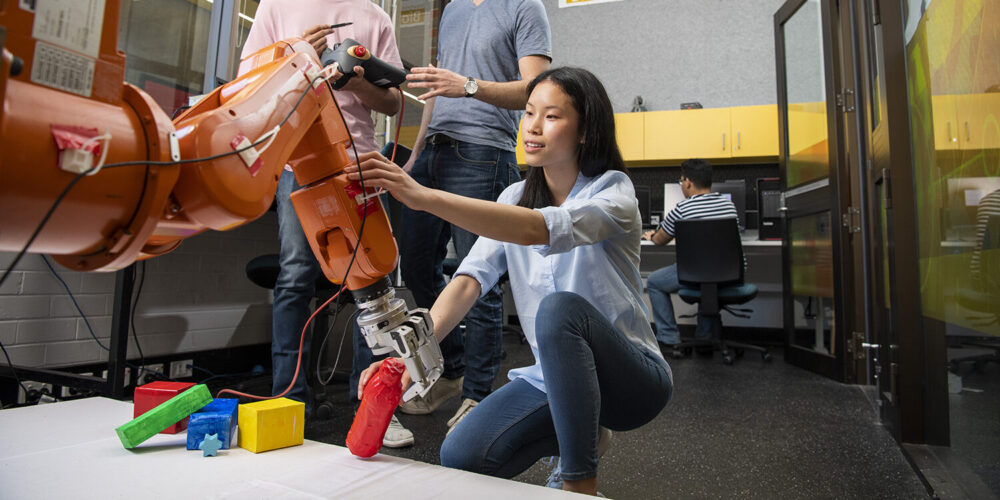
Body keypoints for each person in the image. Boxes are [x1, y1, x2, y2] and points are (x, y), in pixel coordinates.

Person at [350, 67, 672, 496]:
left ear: (584, 132)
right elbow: (468, 281)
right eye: (529, 113)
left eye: (552, 117)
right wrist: (408, 359)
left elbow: (537, 229)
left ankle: (580, 483)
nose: (533, 128)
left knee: (561, 311)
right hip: (554, 379)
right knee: (461, 455)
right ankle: (584, 433)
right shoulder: (513, 197)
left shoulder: (614, 193)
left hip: (632, 381)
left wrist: (424, 198)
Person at [241, 0, 414, 447]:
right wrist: (295, 55)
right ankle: (287, 400)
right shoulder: (276, 6)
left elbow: (393, 102)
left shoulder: (374, 15)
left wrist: (356, 79)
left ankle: (375, 404)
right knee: (296, 274)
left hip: (361, 159)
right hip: (299, 157)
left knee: (373, 279)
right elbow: (248, 82)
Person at [381, 0, 552, 430]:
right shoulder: (454, 8)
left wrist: (470, 86)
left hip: (482, 153)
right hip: (433, 149)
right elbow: (441, 89)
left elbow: (538, 90)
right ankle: (452, 372)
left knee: (481, 279)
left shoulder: (524, 7)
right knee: (417, 265)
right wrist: (414, 155)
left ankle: (478, 395)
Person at [643, 159, 740, 357]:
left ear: (687, 182)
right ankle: (705, 339)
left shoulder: (682, 209)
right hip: (729, 273)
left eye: (681, 181)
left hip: (694, 274)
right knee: (709, 280)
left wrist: (651, 235)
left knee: (654, 281)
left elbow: (660, 240)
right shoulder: (729, 206)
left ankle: (669, 339)